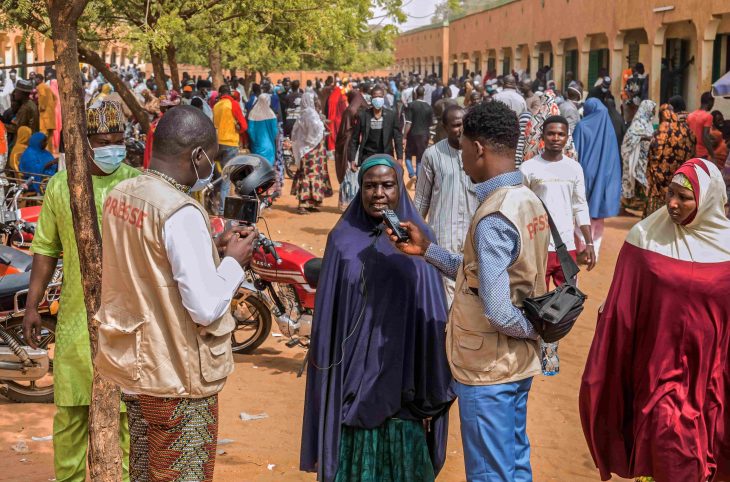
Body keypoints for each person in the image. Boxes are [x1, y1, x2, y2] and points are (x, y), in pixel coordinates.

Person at [390, 101, 550, 481]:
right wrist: (428, 251)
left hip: (488, 369)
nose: (460, 159)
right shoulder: (526, 199)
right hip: (516, 364)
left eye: (462, 149)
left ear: (477, 148)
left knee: (488, 472)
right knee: (513, 461)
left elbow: (496, 310)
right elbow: (477, 275)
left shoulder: (494, 217)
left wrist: (533, 330)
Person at [95, 106, 255, 482]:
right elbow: (204, 307)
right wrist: (233, 262)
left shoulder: (123, 193)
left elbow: (148, 262)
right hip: (177, 381)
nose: (210, 168)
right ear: (198, 155)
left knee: (145, 472)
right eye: (211, 159)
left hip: (136, 372)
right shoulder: (180, 210)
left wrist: (211, 247)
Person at [300, 154, 454, 482]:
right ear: (360, 190)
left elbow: (432, 315)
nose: (378, 193)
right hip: (352, 388)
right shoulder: (341, 241)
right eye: (370, 186)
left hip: (405, 388)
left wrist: (430, 385)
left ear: (400, 189)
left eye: (387, 185)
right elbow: (329, 322)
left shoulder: (420, 240)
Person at [580, 158, 730, 482]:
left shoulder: (727, 247)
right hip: (659, 375)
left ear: (708, 200)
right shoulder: (646, 237)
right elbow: (622, 308)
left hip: (711, 377)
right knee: (670, 448)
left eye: (684, 197)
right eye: (670, 193)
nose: (673, 203)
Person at [22, 101, 135, 482]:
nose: (113, 149)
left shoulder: (137, 185)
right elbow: (44, 251)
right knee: (70, 417)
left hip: (128, 322)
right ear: (84, 143)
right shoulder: (61, 185)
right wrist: (32, 305)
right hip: (73, 322)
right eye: (104, 141)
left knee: (125, 422)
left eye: (119, 141)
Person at [520, 115, 595, 289]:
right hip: (538, 247)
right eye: (551, 134)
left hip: (566, 245)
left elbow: (580, 205)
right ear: (542, 137)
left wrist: (589, 242)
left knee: (569, 302)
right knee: (536, 300)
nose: (555, 138)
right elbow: (522, 208)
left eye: (560, 134)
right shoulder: (528, 168)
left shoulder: (574, 168)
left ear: (567, 137)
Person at [414, 105, 477, 303]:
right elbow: (422, 198)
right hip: (443, 235)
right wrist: (416, 231)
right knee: (446, 292)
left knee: (472, 286)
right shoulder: (432, 155)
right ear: (445, 127)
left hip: (473, 234)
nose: (461, 130)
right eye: (456, 125)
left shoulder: (478, 152)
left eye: (464, 124)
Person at [573, 98, 622, 261]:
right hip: (604, 177)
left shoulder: (581, 126)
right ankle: (594, 250)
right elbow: (614, 157)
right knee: (598, 216)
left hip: (584, 176)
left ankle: (580, 249)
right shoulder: (609, 129)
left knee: (581, 212)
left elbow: (575, 153)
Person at [644, 104, 696, 217]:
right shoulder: (686, 131)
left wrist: (654, 178)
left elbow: (654, 158)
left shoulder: (661, 132)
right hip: (682, 179)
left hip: (661, 184)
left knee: (657, 219)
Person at [291, 92, 333, 214]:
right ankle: (304, 203)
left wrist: (303, 143)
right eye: (314, 99)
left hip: (306, 150)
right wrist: (310, 141)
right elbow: (317, 129)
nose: (316, 101)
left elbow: (294, 133)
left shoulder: (302, 114)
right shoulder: (311, 114)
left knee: (306, 174)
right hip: (313, 151)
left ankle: (310, 202)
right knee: (310, 175)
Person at [213, 84, 248, 214]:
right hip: (231, 143)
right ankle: (223, 209)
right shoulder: (233, 104)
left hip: (218, 144)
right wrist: (239, 128)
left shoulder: (216, 106)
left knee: (220, 175)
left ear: (220, 94)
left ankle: (215, 203)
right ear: (229, 93)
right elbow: (244, 126)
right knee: (227, 177)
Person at [349, 86, 403, 167]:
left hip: (386, 155)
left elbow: (397, 138)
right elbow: (354, 139)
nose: (378, 99)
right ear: (371, 99)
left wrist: (399, 158)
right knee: (362, 177)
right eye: (375, 97)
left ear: (383, 98)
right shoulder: (363, 115)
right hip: (367, 156)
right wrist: (352, 159)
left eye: (380, 97)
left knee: (397, 177)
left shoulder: (391, 116)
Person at [522, 90, 577, 162]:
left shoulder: (532, 121)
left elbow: (526, 141)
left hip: (534, 161)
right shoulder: (560, 122)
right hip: (559, 161)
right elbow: (569, 144)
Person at [620, 100, 656, 202]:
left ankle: (637, 200)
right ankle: (627, 202)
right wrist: (647, 138)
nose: (654, 112)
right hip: (634, 156)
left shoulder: (648, 123)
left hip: (644, 157)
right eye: (653, 109)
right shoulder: (638, 123)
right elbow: (631, 138)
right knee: (631, 178)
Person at [403, 85, 433, 181]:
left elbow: (408, 123)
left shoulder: (411, 105)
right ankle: (419, 177)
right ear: (424, 94)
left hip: (412, 135)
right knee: (420, 158)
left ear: (415, 94)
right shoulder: (429, 107)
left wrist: (404, 136)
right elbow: (430, 124)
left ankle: (411, 173)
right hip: (424, 135)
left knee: (408, 156)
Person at [246, 93, 278, 166]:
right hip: (269, 147)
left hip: (256, 147)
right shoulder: (272, 114)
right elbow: (275, 132)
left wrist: (255, 141)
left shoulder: (252, 113)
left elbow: (250, 131)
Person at [687, 91, 716, 161]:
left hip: (690, 152)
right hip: (702, 154)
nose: (712, 105)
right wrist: (713, 155)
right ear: (710, 102)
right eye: (713, 103)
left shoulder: (690, 115)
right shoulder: (708, 116)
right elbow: (705, 136)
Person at [35, 73, 57, 144]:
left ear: (40, 80)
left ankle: (43, 152)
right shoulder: (47, 87)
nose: (35, 80)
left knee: (43, 134)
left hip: (44, 115)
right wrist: (52, 107)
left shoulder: (40, 86)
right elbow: (55, 98)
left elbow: (43, 96)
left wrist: (42, 107)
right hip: (51, 115)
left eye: (36, 78)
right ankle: (50, 152)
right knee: (50, 136)